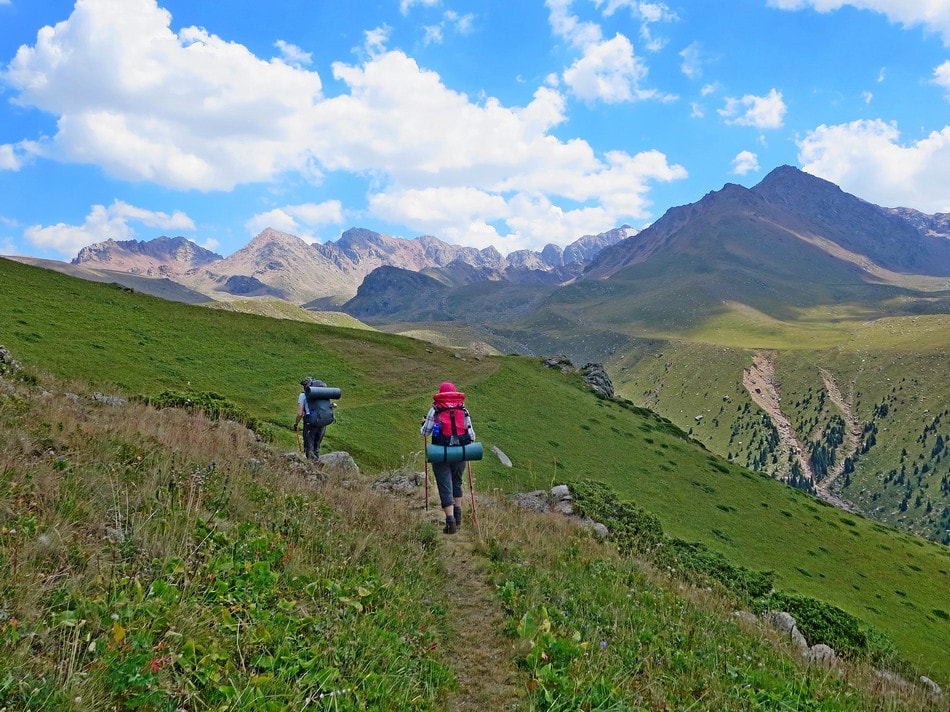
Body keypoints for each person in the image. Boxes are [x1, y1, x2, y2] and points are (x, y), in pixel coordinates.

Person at [420, 382, 476, 534]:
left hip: (440, 452)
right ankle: (458, 515)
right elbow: (471, 436)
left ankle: (450, 521)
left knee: (444, 484)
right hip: (460, 452)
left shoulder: (435, 409)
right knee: (456, 481)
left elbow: (425, 432)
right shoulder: (463, 409)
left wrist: (424, 423)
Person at [294, 376, 331, 461]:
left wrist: (296, 424)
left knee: (308, 448)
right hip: (322, 422)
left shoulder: (303, 395)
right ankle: (317, 468)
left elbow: (300, 414)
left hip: (310, 422)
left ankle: (315, 465)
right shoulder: (321, 394)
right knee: (316, 447)